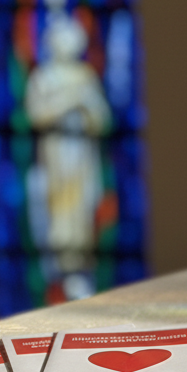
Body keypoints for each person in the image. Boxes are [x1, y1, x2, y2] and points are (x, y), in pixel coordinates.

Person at [25, 15, 111, 300]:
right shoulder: (43, 77)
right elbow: (36, 115)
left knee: (81, 210)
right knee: (59, 212)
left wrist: (87, 104)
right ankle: (62, 274)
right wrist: (69, 100)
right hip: (56, 156)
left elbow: (102, 120)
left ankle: (80, 270)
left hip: (82, 156)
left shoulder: (86, 75)